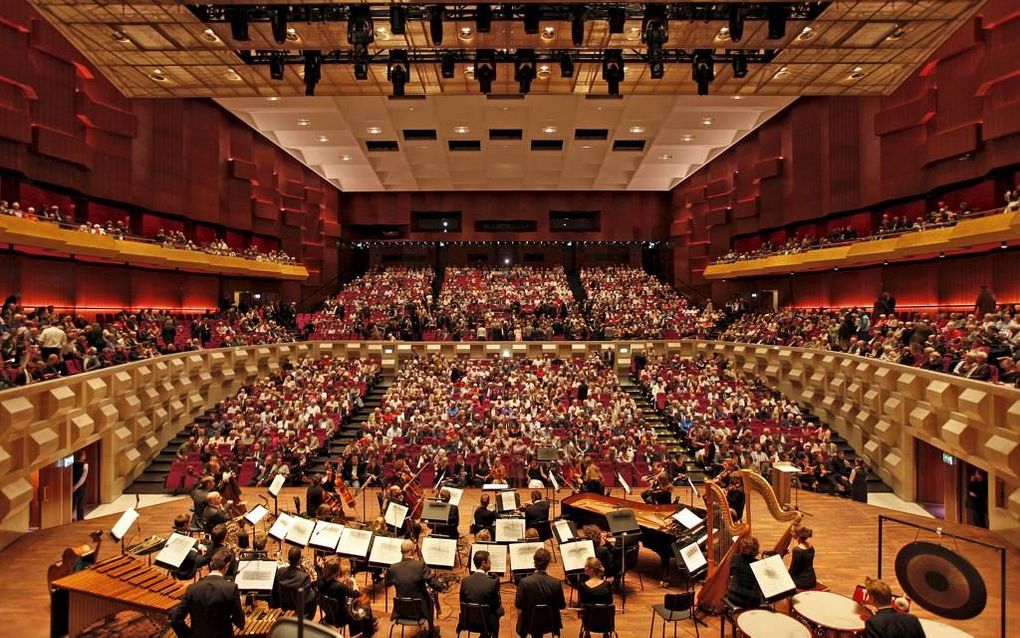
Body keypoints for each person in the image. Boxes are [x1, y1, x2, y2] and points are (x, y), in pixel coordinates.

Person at [169, 550, 246, 638]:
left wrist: (190, 635)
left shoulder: (192, 588)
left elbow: (175, 620)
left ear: (210, 565)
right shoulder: (231, 588)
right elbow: (240, 623)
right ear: (226, 566)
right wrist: (240, 606)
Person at [387, 539, 442, 637]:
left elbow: (387, 583)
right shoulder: (420, 565)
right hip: (420, 610)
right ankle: (431, 631)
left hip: (400, 610)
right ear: (413, 550)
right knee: (430, 600)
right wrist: (442, 587)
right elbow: (431, 582)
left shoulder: (393, 567)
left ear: (401, 552)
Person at [317, 557, 376, 636]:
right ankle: (368, 632)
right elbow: (356, 593)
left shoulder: (320, 582)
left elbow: (330, 582)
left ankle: (370, 623)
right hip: (342, 618)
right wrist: (354, 581)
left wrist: (338, 580)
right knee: (364, 604)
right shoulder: (340, 586)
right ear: (336, 572)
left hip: (329, 615)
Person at [515, 548, 565, 638]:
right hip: (550, 623)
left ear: (534, 562)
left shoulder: (524, 582)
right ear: (548, 563)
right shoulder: (556, 582)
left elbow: (518, 604)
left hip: (530, 623)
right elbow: (562, 605)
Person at [458, 550, 504, 638]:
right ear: (483, 563)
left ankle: (484, 636)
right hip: (486, 624)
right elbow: (495, 605)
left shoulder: (465, 581)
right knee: (500, 610)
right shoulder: (492, 583)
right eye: (489, 561)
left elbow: (462, 601)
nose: (491, 563)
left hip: (467, 622)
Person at [271, 546, 316, 618]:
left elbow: (275, 591)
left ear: (288, 559)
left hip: (284, 607)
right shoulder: (304, 577)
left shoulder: (280, 571)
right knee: (313, 596)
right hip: (297, 612)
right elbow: (305, 600)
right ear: (300, 560)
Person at [727, 536, 763, 609]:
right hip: (752, 601)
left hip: (733, 597)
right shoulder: (759, 564)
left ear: (742, 548)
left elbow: (731, 573)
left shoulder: (735, 558)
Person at [71, 451, 89, 521]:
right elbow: (83, 477)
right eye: (84, 455)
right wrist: (76, 486)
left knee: (72, 502)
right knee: (80, 503)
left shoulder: (72, 464)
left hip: (72, 486)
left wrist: (73, 487)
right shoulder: (85, 465)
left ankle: (69, 517)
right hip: (81, 486)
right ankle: (80, 518)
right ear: (82, 456)